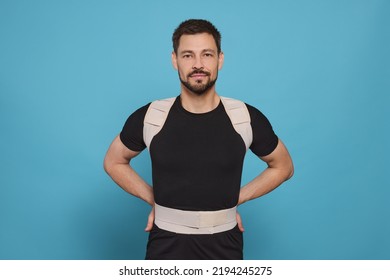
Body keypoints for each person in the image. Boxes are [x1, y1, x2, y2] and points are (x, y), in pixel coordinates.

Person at [103, 19, 294, 260]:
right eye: (187, 56)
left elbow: (284, 166)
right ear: (175, 60)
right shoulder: (152, 116)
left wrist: (235, 199)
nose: (198, 65)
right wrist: (155, 199)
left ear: (220, 60)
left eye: (207, 54)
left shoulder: (244, 117)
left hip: (225, 245)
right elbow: (113, 161)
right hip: (165, 245)